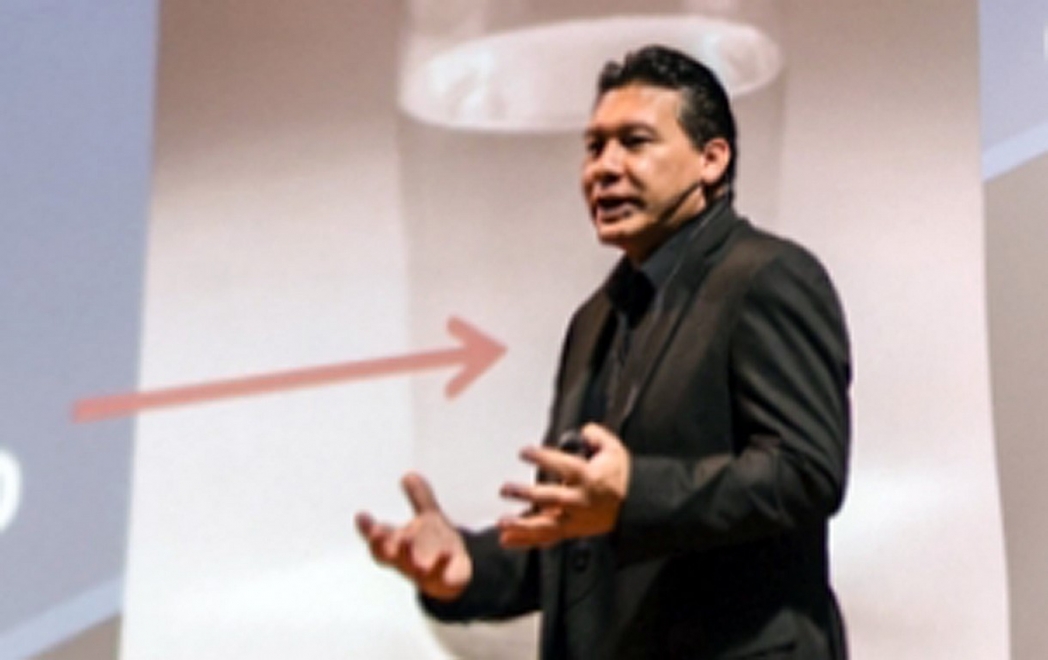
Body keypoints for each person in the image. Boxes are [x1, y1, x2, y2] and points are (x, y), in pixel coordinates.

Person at [356, 44, 851, 660]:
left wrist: (634, 493)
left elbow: (805, 471)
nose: (604, 168)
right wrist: (467, 568)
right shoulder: (593, 320)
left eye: (634, 142)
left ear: (711, 159)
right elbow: (576, 532)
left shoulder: (767, 277)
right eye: (593, 148)